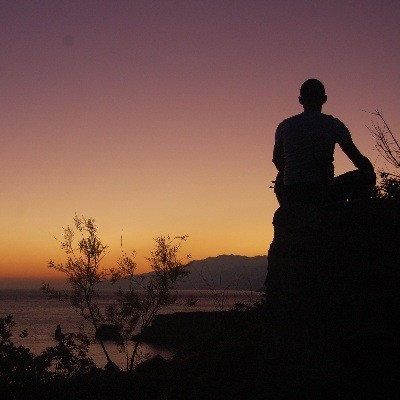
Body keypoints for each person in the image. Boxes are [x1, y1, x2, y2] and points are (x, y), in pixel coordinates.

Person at [273, 79, 376, 205]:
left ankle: (290, 211)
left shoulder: (285, 126)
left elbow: (277, 161)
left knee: (280, 177)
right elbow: (357, 159)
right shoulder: (334, 124)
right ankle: (353, 214)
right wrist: (369, 169)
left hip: (292, 193)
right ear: (324, 99)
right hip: (322, 191)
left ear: (300, 100)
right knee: (366, 175)